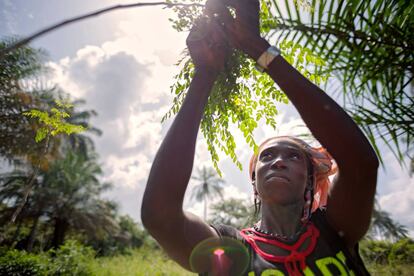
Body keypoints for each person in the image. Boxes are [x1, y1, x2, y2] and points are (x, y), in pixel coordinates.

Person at [141, 0, 379, 275]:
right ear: (254, 182)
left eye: (293, 156)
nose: (278, 161)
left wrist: (259, 49)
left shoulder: (335, 231)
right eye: (267, 156)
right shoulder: (231, 250)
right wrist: (205, 74)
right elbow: (160, 217)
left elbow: (361, 164)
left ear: (311, 180)